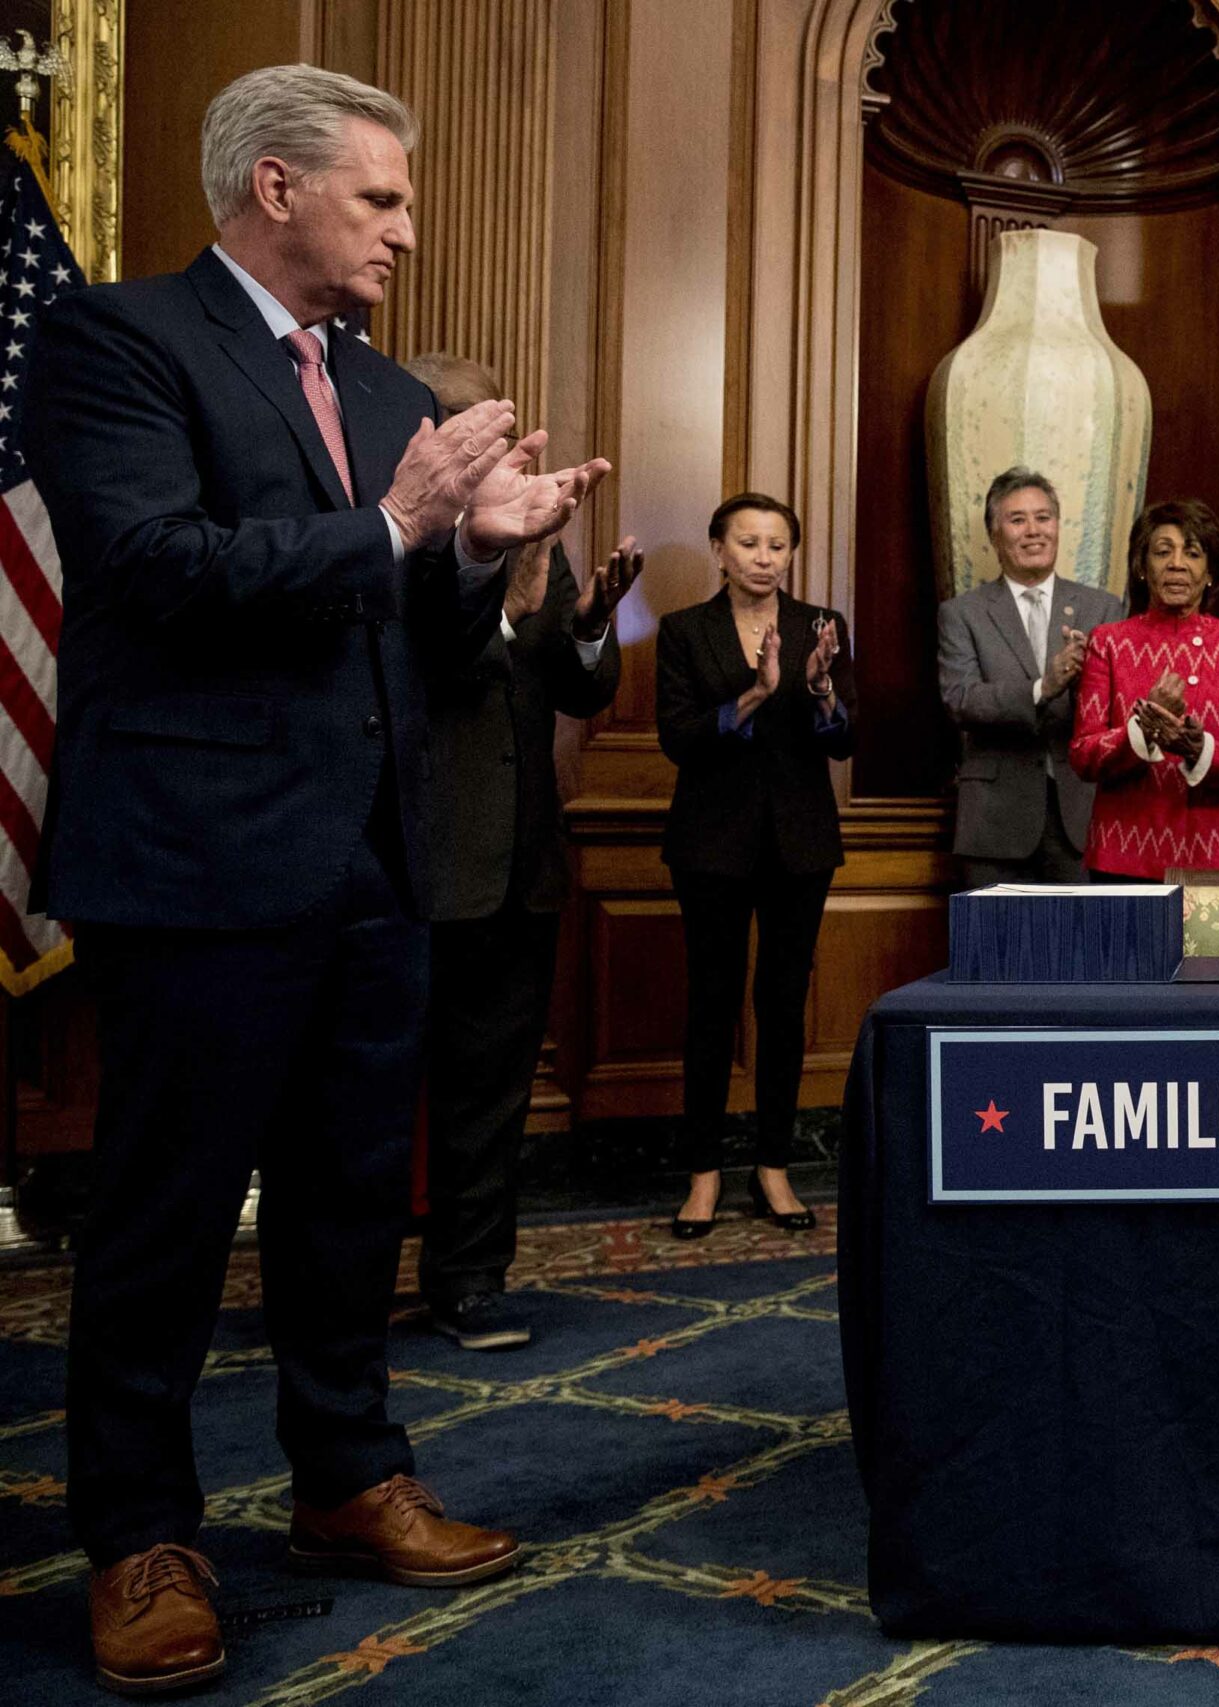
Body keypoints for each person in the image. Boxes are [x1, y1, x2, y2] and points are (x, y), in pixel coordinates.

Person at [28, 64, 608, 1694]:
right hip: (200, 862)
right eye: (383, 199)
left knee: (356, 1197)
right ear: (274, 186)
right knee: (166, 1217)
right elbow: (149, 567)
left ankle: (348, 1476)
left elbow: (412, 630)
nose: (410, 234)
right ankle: (141, 1534)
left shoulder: (386, 379)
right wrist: (395, 517)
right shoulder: (120, 342)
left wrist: (485, 548)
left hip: (374, 859)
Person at [408, 353, 641, 1352]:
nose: (497, 446)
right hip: (411, 861)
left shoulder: (538, 532)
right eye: (472, 427)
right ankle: (336, 1285)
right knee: (364, 1093)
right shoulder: (399, 539)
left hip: (523, 865)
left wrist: (587, 624)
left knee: (490, 1093)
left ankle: (468, 1284)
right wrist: (504, 608)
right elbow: (432, 667)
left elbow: (583, 693)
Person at [655, 493, 856, 1238]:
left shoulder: (820, 627)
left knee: (781, 1005)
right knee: (710, 1004)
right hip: (710, 844)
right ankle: (702, 1172)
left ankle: (774, 1165)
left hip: (800, 845)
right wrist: (755, 695)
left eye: (778, 544)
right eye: (748, 542)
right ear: (718, 550)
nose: (764, 556)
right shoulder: (684, 630)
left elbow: (843, 740)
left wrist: (820, 688)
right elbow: (678, 738)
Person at [937, 468, 1126, 887]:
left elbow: (1117, 709)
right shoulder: (962, 613)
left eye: (1043, 518)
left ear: (1058, 527)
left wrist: (1083, 683)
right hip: (994, 821)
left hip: (1080, 817)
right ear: (993, 534)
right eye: (1017, 519)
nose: (1033, 531)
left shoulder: (1104, 609)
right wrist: (1044, 687)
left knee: (1079, 949)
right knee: (994, 950)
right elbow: (961, 699)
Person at [1069, 499, 1219, 878]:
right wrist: (1142, 730)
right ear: (1143, 567)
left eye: (1192, 553)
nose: (1177, 563)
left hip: (1216, 853)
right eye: (1163, 551)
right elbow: (1083, 754)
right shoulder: (1108, 642)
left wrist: (1200, 748)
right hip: (1123, 853)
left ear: (1210, 570)